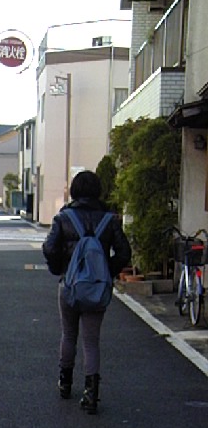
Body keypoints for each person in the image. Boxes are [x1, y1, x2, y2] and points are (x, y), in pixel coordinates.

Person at [42, 170, 131, 414]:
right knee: (91, 341)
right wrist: (106, 273)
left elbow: (49, 248)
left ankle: (65, 382)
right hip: (96, 289)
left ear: (74, 191)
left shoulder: (64, 217)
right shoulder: (109, 219)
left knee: (68, 334)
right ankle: (91, 394)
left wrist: (60, 269)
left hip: (69, 286)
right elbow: (124, 253)